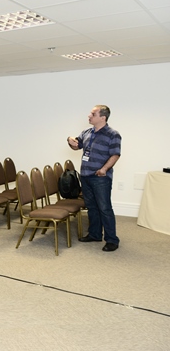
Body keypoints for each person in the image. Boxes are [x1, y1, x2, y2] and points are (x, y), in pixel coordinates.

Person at [67, 105, 122, 252]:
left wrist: (104, 169)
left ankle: (112, 240)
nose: (89, 116)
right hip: (85, 176)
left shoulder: (113, 134)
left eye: (93, 114)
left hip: (100, 178)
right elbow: (76, 146)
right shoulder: (86, 132)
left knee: (104, 208)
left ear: (103, 117)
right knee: (91, 207)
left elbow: (115, 154)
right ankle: (95, 234)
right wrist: (70, 140)